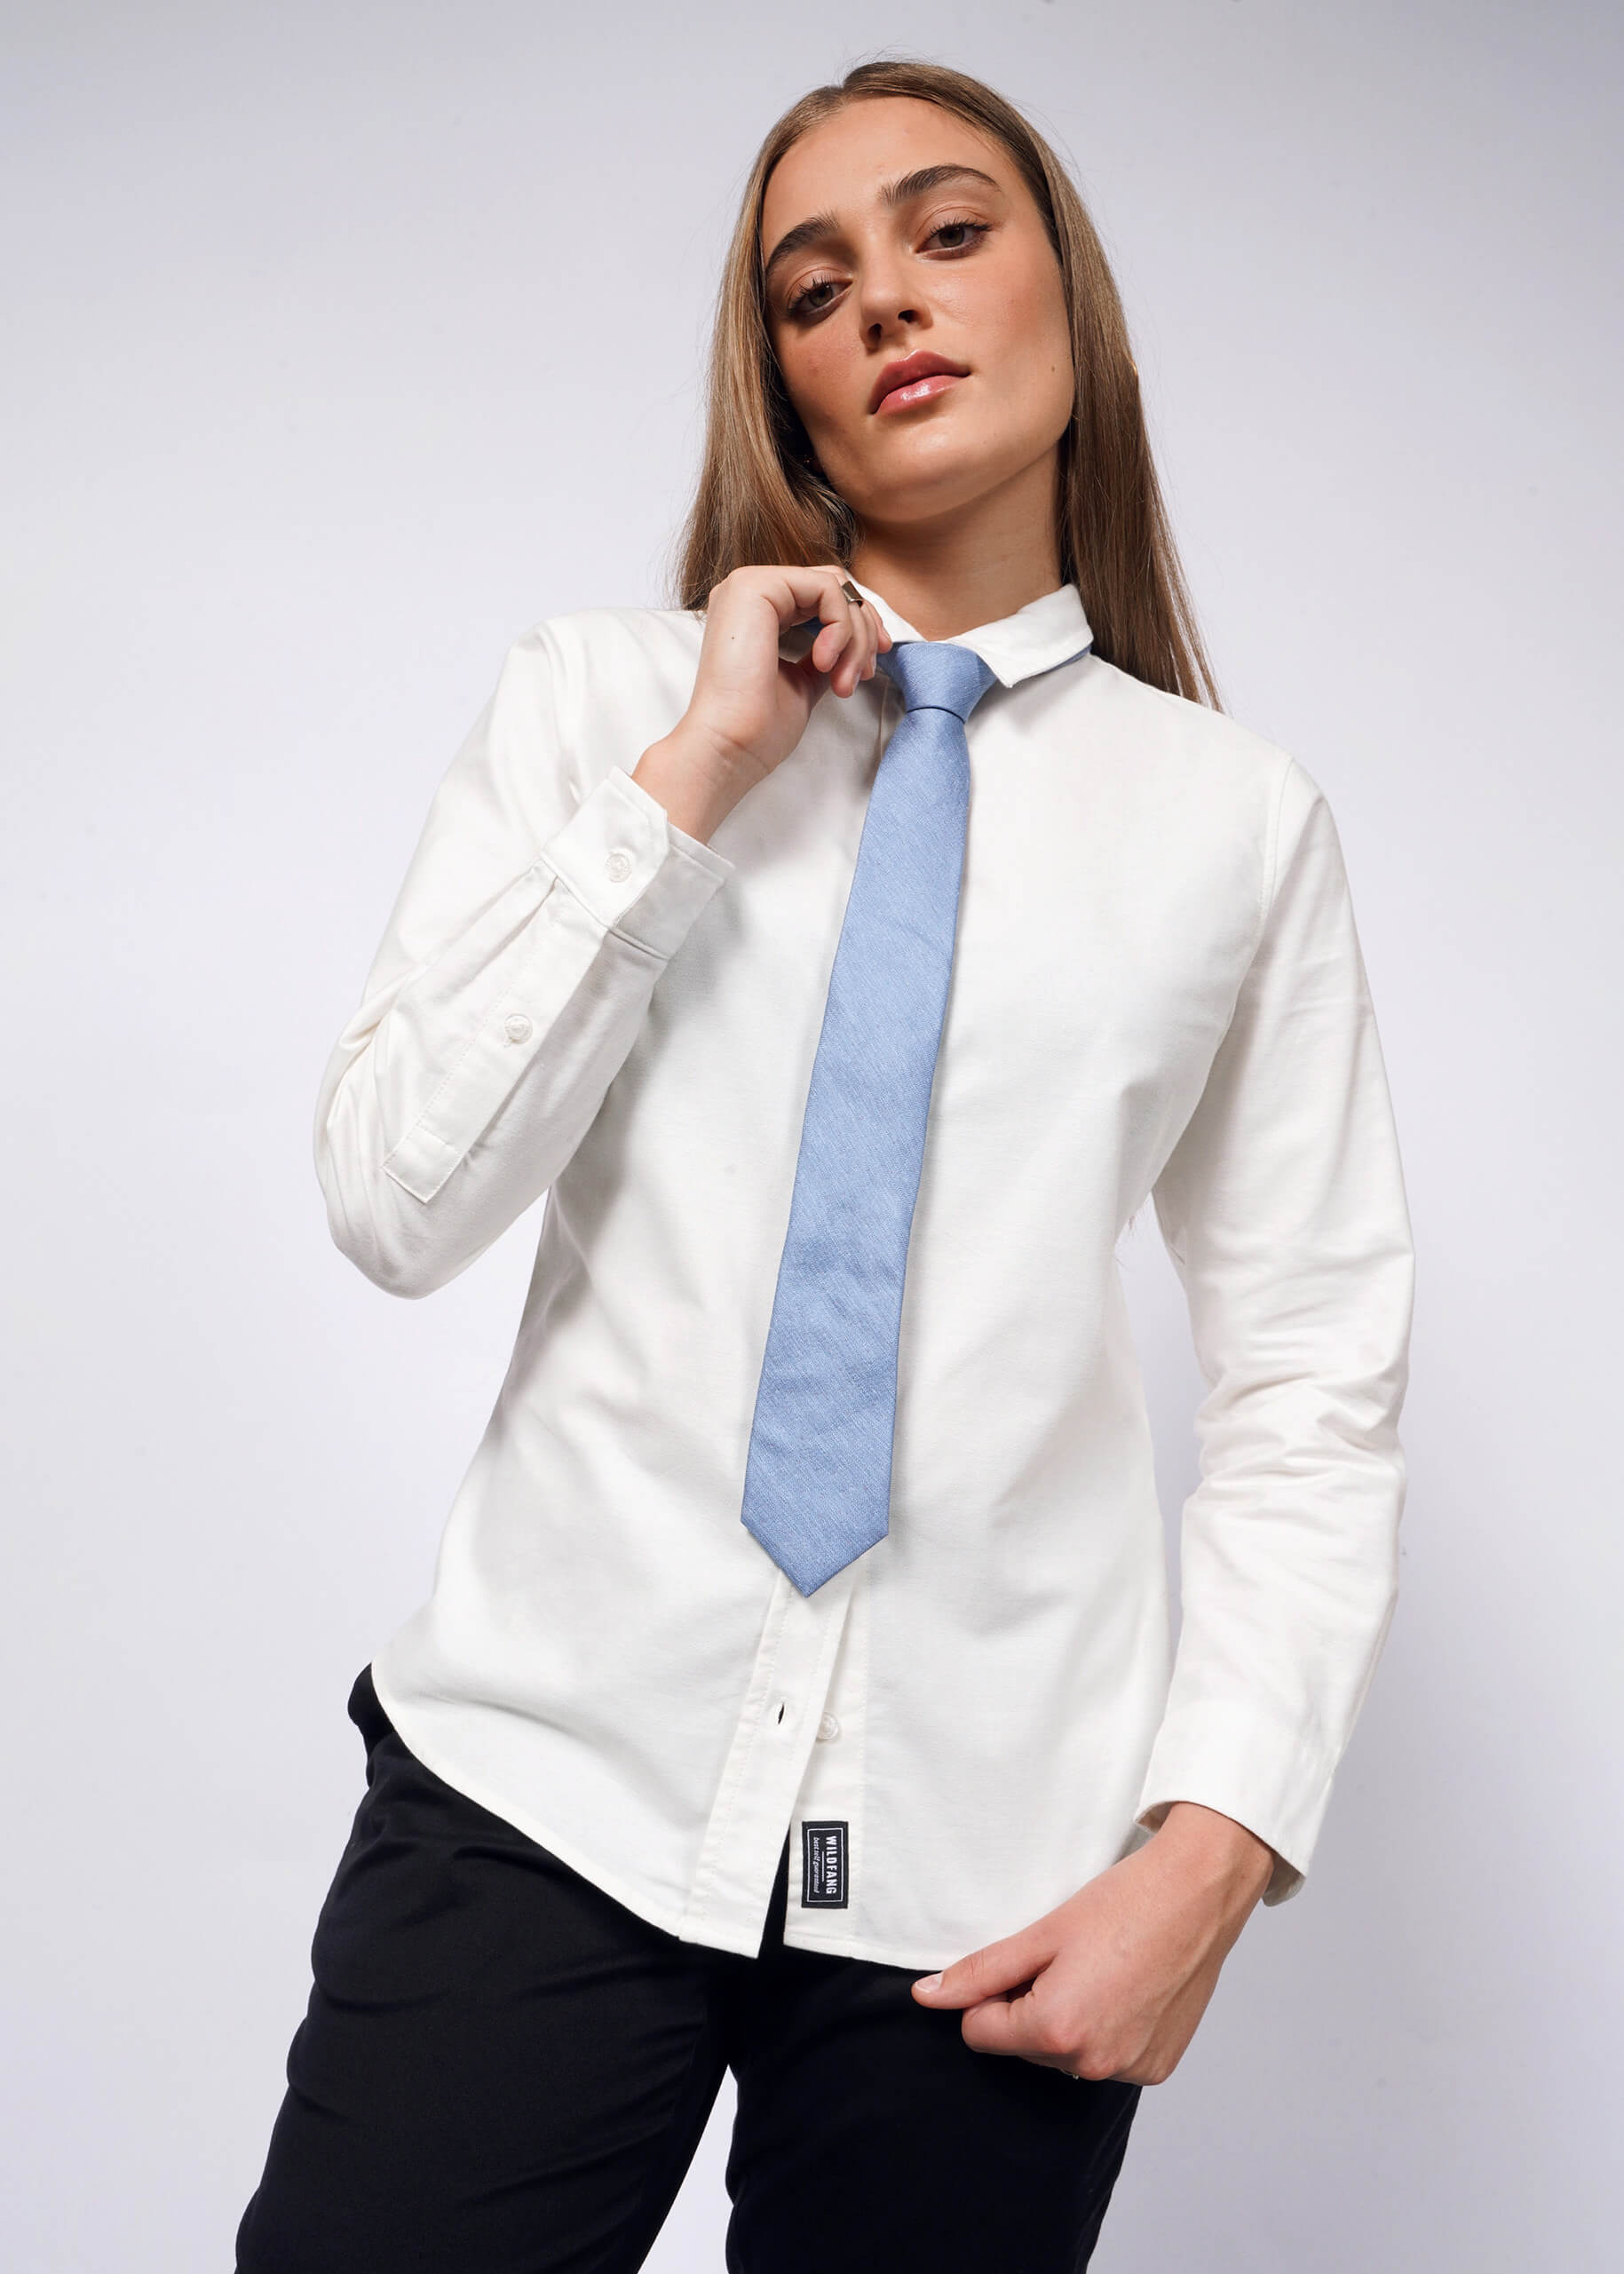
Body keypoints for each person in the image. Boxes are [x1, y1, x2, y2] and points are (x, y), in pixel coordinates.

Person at [234, 55, 1414, 2274]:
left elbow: (1314, 1380)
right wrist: (700, 773)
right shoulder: (604, 712)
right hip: (544, 1782)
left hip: (993, 1883)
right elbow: (397, 1200)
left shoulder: (1236, 828)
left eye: (949, 233)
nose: (887, 301)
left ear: (1069, 294)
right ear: (778, 383)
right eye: (814, 283)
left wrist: (1210, 1861)